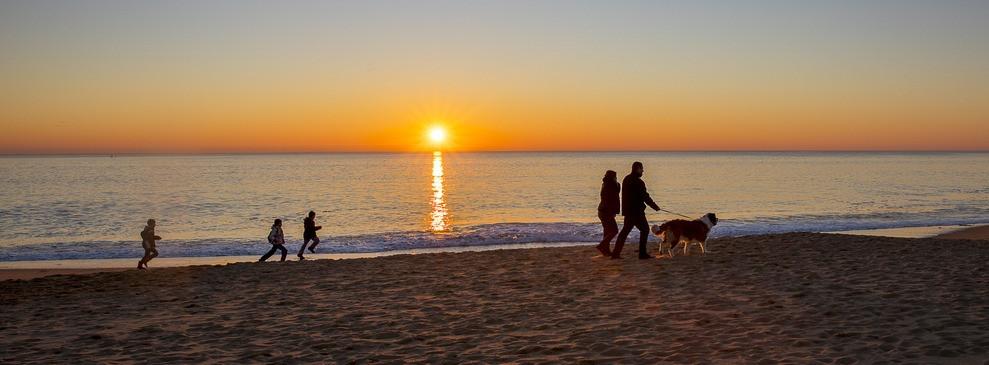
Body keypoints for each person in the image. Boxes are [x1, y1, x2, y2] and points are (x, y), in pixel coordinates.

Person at [612, 161, 661, 259]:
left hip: (628, 211)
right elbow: (645, 196)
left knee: (625, 232)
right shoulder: (638, 182)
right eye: (642, 169)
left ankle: (615, 254)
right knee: (645, 230)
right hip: (637, 212)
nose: (643, 171)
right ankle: (642, 254)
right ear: (637, 169)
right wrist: (655, 206)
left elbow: (625, 196)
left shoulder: (626, 179)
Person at [596, 170, 621, 257]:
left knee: (607, 231)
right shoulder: (610, 185)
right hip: (606, 211)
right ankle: (602, 245)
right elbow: (612, 199)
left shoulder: (606, 184)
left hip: (602, 211)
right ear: (612, 177)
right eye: (615, 176)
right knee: (614, 230)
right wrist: (612, 212)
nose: (616, 178)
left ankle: (605, 250)